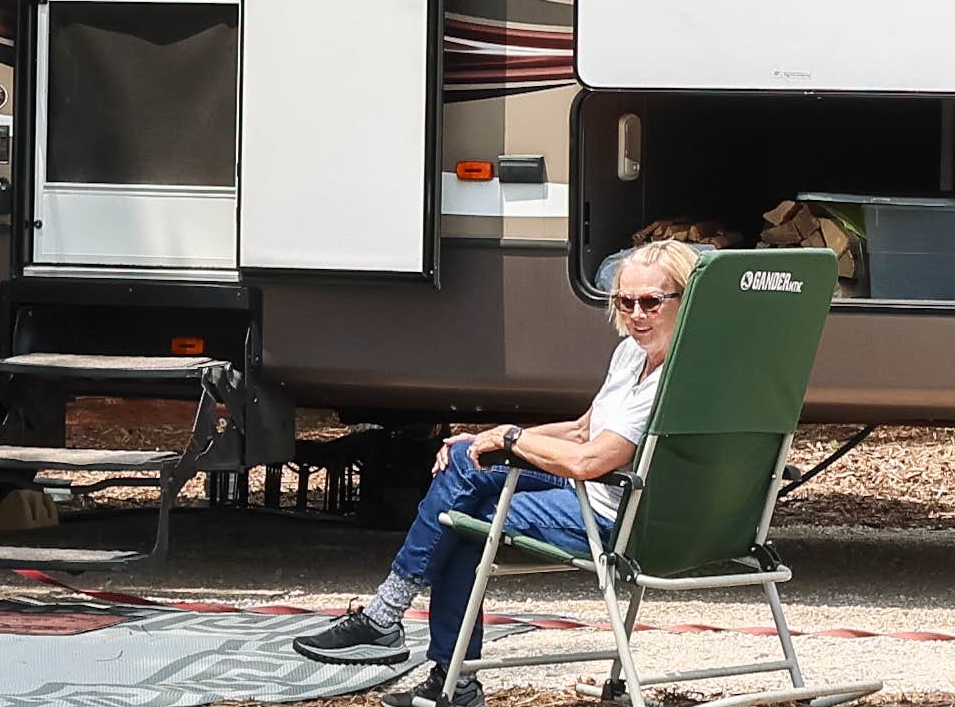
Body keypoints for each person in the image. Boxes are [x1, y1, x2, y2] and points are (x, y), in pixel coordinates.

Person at [299, 228, 699, 670]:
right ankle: (390, 623)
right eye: (625, 302)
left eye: (651, 302)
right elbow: (584, 430)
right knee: (465, 461)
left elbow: (589, 461)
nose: (637, 315)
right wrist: (490, 437)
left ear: (686, 299)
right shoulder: (631, 354)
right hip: (596, 488)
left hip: (614, 516)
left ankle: (428, 656)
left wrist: (511, 438)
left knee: (464, 520)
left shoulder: (675, 379)